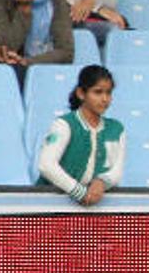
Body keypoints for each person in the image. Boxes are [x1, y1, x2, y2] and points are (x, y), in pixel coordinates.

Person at [37, 64, 123, 205]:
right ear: (81, 93)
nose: (104, 99)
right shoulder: (64, 125)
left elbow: (116, 170)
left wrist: (102, 182)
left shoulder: (116, 129)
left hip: (93, 206)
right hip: (51, 205)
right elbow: (46, 165)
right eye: (98, 92)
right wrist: (79, 192)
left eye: (108, 93)